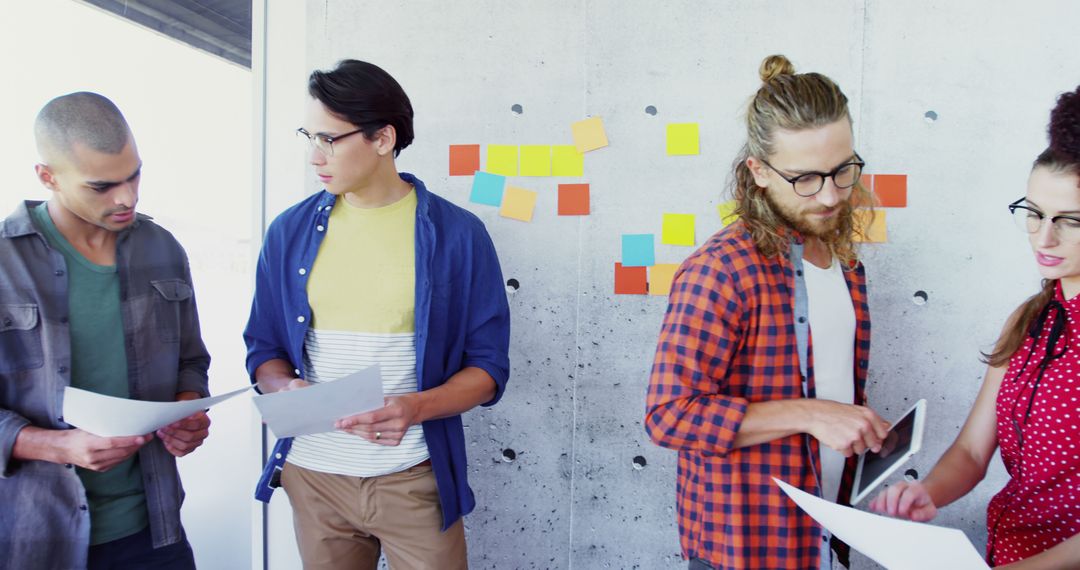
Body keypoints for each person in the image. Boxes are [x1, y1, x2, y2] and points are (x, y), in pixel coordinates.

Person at [244, 60, 510, 570]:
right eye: (309, 136)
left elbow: (488, 368)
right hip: (314, 477)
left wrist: (415, 407)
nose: (313, 156)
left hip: (412, 474)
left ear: (383, 139)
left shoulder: (459, 235)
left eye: (329, 139)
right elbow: (264, 349)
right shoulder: (288, 232)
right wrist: (282, 389)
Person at [645, 55, 890, 570]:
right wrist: (811, 414)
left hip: (822, 538)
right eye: (805, 179)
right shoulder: (721, 271)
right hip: (747, 549)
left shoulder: (846, 263)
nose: (830, 195)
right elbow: (668, 417)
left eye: (843, 170)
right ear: (757, 171)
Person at [871, 86, 1080, 568]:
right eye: (1033, 213)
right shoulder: (1030, 318)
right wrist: (928, 492)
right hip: (1004, 552)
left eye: (1069, 220)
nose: (1043, 237)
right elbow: (970, 451)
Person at [0, 92, 211, 569]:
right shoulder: (4, 263)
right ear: (47, 177)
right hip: (35, 539)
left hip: (154, 532)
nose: (127, 197)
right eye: (102, 186)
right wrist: (56, 446)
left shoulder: (163, 248)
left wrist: (185, 410)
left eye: (134, 174)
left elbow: (191, 362)